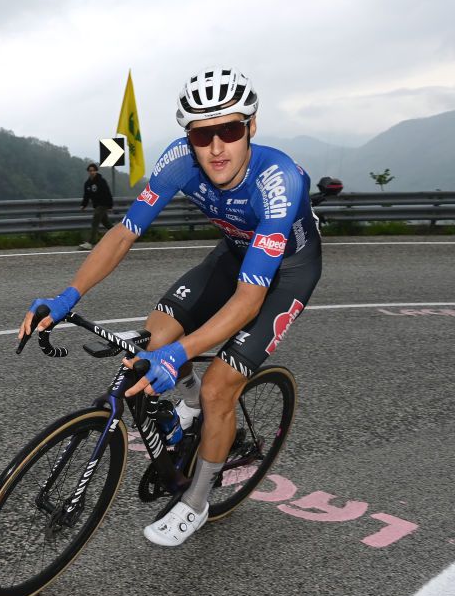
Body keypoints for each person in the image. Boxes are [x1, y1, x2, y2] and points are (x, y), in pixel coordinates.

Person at [18, 67, 322, 547]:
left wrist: (182, 354)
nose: (217, 147)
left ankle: (196, 501)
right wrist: (67, 296)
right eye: (203, 133)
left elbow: (250, 298)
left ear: (252, 127)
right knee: (156, 333)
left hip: (286, 275)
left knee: (222, 386)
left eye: (230, 129)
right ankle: (189, 400)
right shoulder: (178, 161)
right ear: (188, 136)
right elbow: (123, 233)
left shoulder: (277, 181)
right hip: (233, 254)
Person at [79, 163, 114, 250]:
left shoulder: (101, 181)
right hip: (96, 205)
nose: (92, 172)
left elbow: (107, 193)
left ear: (96, 171)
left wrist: (110, 205)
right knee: (106, 223)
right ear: (88, 172)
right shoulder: (87, 183)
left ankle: (90, 243)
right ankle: (120, 236)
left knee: (95, 221)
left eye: (93, 170)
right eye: (90, 171)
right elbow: (86, 196)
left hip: (103, 204)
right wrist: (83, 205)